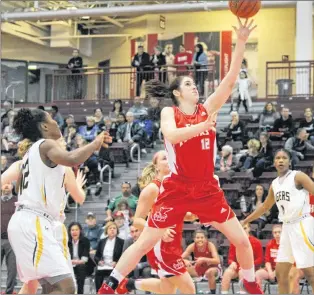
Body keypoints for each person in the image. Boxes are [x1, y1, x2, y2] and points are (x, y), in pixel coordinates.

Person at [98, 18, 262, 295]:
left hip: (207, 188)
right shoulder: (169, 113)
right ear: (177, 93)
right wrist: (202, 126)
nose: (195, 87)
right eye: (188, 84)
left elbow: (230, 79)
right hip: (178, 187)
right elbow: (172, 137)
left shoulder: (207, 108)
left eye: (194, 84)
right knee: (144, 242)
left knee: (242, 241)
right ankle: (110, 284)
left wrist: (242, 41)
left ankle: (249, 280)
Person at [6, 108, 107, 294]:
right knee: (66, 287)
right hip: (34, 222)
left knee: (49, 286)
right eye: (52, 119)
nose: (55, 122)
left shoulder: (29, 155)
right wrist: (94, 144)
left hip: (28, 220)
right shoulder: (45, 145)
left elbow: (18, 188)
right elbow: (71, 158)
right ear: (44, 126)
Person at [1, 137, 88, 294]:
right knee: (65, 285)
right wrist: (79, 186)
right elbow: (80, 198)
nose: (62, 144)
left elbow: (2, 181)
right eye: (59, 141)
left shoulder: (20, 165)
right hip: (46, 225)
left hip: (23, 222)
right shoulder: (61, 167)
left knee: (31, 283)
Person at [116, 151, 197, 294]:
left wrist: (195, 213)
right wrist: (160, 231)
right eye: (165, 159)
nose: (169, 160)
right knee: (190, 290)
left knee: (166, 289)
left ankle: (129, 284)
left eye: (170, 158)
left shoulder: (174, 187)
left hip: (173, 241)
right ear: (156, 166)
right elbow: (137, 220)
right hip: (161, 246)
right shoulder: (152, 188)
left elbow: (179, 214)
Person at [242, 148, 314, 294]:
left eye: (284, 158)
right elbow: (265, 207)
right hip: (286, 227)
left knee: (309, 272)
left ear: (290, 161)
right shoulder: (275, 183)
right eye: (278, 158)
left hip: (301, 224)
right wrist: (246, 220)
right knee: (281, 273)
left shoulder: (298, 176)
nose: (281, 160)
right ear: (274, 162)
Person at [182, 229, 222, 294]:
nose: (200, 239)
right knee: (183, 269)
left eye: (202, 238)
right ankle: (190, 291)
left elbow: (217, 261)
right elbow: (179, 258)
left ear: (206, 239)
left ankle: (212, 292)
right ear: (194, 239)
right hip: (199, 268)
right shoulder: (192, 246)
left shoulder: (210, 245)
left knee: (209, 272)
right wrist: (185, 261)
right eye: (197, 238)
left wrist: (204, 259)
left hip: (213, 268)